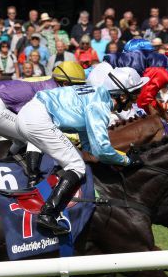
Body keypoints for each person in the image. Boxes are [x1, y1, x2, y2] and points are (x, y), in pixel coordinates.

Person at [16, 67, 144, 233]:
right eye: (134, 94)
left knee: (75, 160)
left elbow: (88, 145)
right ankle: (48, 214)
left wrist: (120, 156)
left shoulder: (96, 95)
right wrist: (127, 161)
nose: (135, 100)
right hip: (38, 118)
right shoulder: (100, 104)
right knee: (76, 166)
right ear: (122, 95)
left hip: (28, 114)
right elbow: (102, 150)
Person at [0, 61, 85, 185]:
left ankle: (8, 162)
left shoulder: (47, 82)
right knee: (35, 134)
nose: (77, 90)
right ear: (65, 83)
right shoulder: (52, 91)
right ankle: (33, 179)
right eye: (76, 86)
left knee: (20, 139)